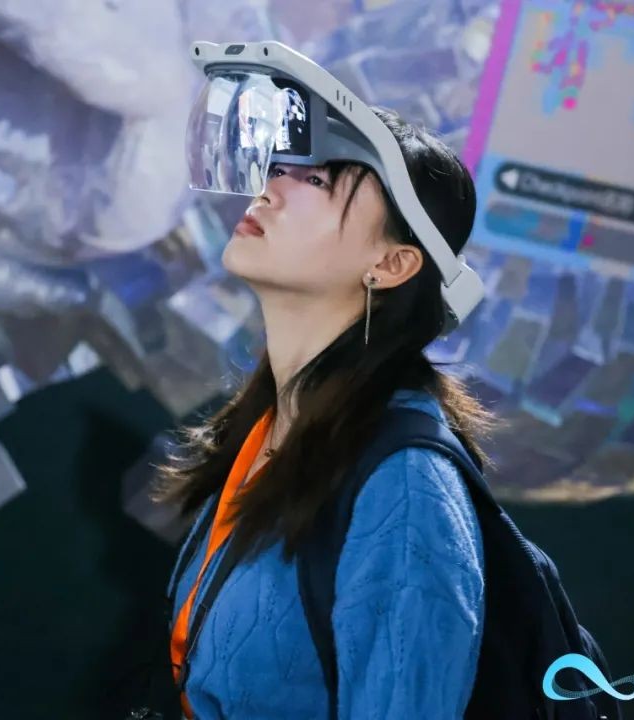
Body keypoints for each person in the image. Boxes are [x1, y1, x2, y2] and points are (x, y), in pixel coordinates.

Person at [151, 106, 497, 719]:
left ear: (390, 265)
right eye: (281, 168)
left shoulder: (406, 487)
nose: (270, 188)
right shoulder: (272, 425)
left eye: (315, 181)